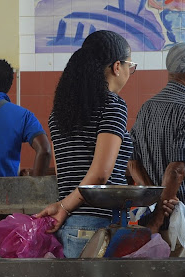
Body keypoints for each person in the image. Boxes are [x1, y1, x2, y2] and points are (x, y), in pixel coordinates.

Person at [35, 30, 136, 258]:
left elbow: (65, 173)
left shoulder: (60, 111)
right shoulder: (113, 105)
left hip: (70, 225)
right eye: (131, 65)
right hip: (98, 226)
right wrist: (63, 207)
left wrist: (64, 207)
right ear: (117, 66)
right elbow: (100, 175)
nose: (131, 72)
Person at [128, 42, 185, 257]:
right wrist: (159, 216)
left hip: (154, 214)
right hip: (182, 216)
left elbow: (132, 161)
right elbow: (177, 169)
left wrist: (155, 196)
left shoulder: (148, 106)